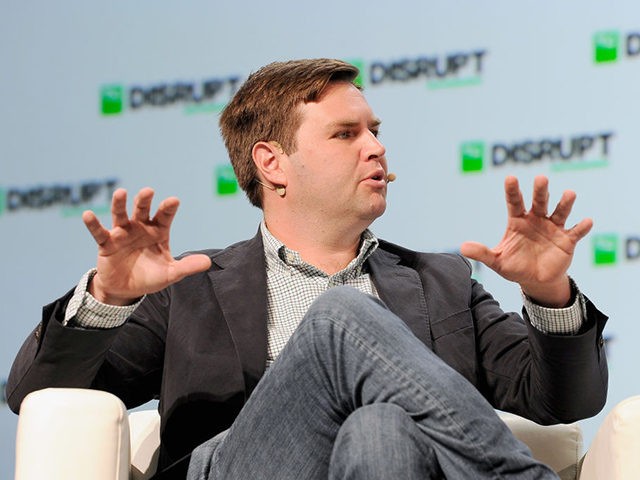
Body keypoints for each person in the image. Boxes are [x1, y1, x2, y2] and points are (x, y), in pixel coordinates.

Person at [7, 58, 608, 479]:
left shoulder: (442, 284)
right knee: (343, 315)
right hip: (244, 470)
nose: (376, 147)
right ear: (272, 164)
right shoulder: (191, 288)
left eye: (375, 131)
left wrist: (549, 293)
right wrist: (108, 297)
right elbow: (34, 395)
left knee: (380, 431)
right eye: (346, 133)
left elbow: (560, 400)